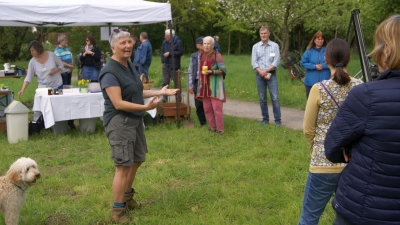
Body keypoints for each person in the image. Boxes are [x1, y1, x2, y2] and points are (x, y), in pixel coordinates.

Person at [324, 15, 400, 225]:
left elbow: (331, 146)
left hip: (364, 210)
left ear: (387, 51)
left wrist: (350, 148)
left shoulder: (367, 95)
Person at [99, 28, 178, 223]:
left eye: (129, 42)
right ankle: (117, 212)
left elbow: (137, 91)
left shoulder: (130, 65)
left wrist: (162, 92)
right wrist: (145, 108)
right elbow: (118, 103)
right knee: (123, 166)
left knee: (136, 160)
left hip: (134, 120)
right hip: (119, 121)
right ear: (112, 47)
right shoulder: (109, 71)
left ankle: (127, 198)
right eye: (122, 43)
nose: (127, 46)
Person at [298, 38, 362, 225]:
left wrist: (317, 149)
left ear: (326, 60)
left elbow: (308, 129)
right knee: (347, 219)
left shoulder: (318, 89)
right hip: (354, 164)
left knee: (309, 218)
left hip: (322, 163)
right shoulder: (361, 88)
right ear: (349, 59)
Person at [251, 26, 282, 126]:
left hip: (271, 74)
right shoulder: (255, 47)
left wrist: (266, 71)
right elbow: (254, 62)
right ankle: (265, 119)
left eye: (265, 33)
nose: (263, 35)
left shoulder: (275, 46)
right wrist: (261, 72)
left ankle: (277, 120)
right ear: (260, 35)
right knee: (262, 98)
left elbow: (276, 61)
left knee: (275, 98)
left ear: (269, 34)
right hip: (259, 75)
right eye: (261, 33)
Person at [196, 36, 226, 134]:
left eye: (208, 44)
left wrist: (212, 71)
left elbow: (223, 70)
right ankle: (212, 127)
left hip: (214, 86)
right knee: (207, 109)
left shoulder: (217, 55)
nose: (206, 45)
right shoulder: (201, 55)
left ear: (212, 45)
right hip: (204, 87)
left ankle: (220, 130)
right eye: (204, 43)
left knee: (217, 108)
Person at [54, 34, 76, 129]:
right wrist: (69, 66)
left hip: (69, 72)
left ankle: (70, 120)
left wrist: (71, 67)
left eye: (66, 40)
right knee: (64, 93)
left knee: (69, 92)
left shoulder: (67, 49)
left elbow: (71, 58)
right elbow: (60, 62)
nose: (66, 42)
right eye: (65, 40)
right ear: (60, 41)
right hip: (63, 74)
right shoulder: (57, 51)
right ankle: (64, 119)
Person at [301, 31, 330, 99]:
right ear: (314, 40)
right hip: (311, 83)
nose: (320, 41)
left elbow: (332, 62)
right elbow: (303, 63)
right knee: (311, 104)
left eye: (322, 39)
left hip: (325, 82)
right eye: (318, 39)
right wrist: (314, 66)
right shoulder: (309, 51)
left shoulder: (328, 50)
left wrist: (323, 66)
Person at [188, 36, 207, 126]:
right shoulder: (194, 56)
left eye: (205, 43)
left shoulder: (210, 54)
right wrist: (190, 85)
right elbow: (190, 70)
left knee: (208, 103)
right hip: (197, 82)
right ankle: (202, 123)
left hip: (207, 82)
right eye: (202, 44)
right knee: (198, 104)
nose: (204, 45)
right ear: (197, 45)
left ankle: (212, 122)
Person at [161, 29, 183, 102]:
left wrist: (170, 53)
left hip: (174, 65)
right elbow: (162, 52)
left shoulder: (178, 42)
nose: (164, 37)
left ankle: (178, 98)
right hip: (166, 65)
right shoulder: (164, 42)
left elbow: (180, 52)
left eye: (165, 36)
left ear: (169, 36)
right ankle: (164, 97)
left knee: (177, 83)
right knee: (165, 82)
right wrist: (163, 61)